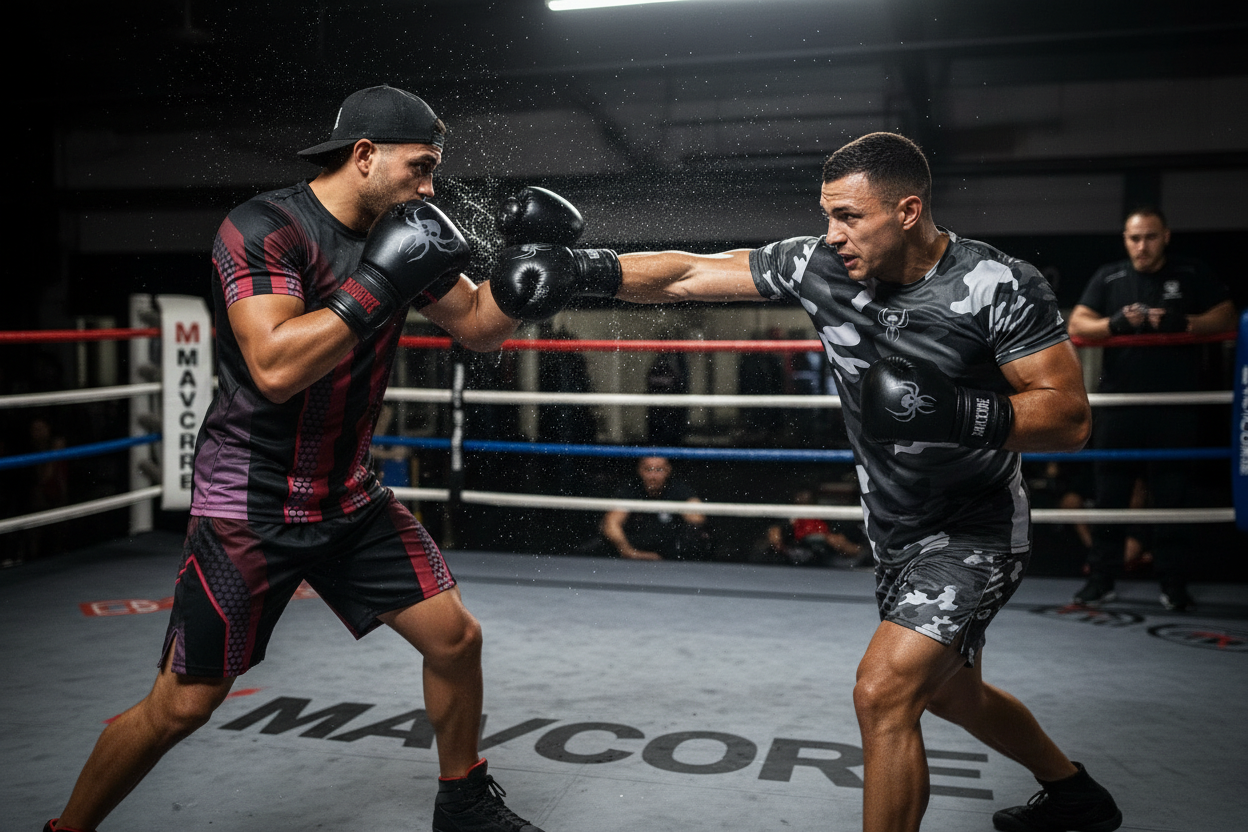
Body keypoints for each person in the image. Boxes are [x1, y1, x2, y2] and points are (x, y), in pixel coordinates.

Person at [491, 132, 1121, 832]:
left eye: (851, 216)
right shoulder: (820, 266)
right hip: (895, 533)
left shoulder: (997, 285)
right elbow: (690, 274)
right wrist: (584, 268)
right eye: (827, 214)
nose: (833, 233)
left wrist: (956, 411)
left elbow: (1068, 418)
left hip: (974, 530)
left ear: (907, 211)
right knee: (950, 695)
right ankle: (1073, 795)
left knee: (883, 692)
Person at [43, 85, 569, 832]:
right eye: (419, 169)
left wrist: (524, 285)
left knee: (455, 639)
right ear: (364, 156)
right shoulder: (264, 228)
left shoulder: (401, 229)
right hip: (249, 504)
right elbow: (277, 367)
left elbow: (478, 328)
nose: (429, 188)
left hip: (348, 498)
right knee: (183, 704)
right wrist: (381, 280)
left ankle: (464, 803)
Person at [1067, 207, 1236, 612]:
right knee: (1110, 498)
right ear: (1125, 239)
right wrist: (1115, 325)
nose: (1141, 246)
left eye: (1150, 237)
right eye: (1134, 238)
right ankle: (1101, 580)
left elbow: (1227, 315)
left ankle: (1173, 584)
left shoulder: (1191, 273)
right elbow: (1077, 324)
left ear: (1166, 236)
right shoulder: (1111, 277)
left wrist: (1186, 323)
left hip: (1174, 408)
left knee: (1171, 498)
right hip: (1121, 409)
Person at [600, 456, 713, 561]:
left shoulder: (678, 489)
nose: (653, 476)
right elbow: (611, 524)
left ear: (668, 471)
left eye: (659, 470)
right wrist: (629, 552)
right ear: (640, 471)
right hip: (633, 556)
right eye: (648, 470)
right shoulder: (630, 490)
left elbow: (697, 520)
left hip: (671, 559)